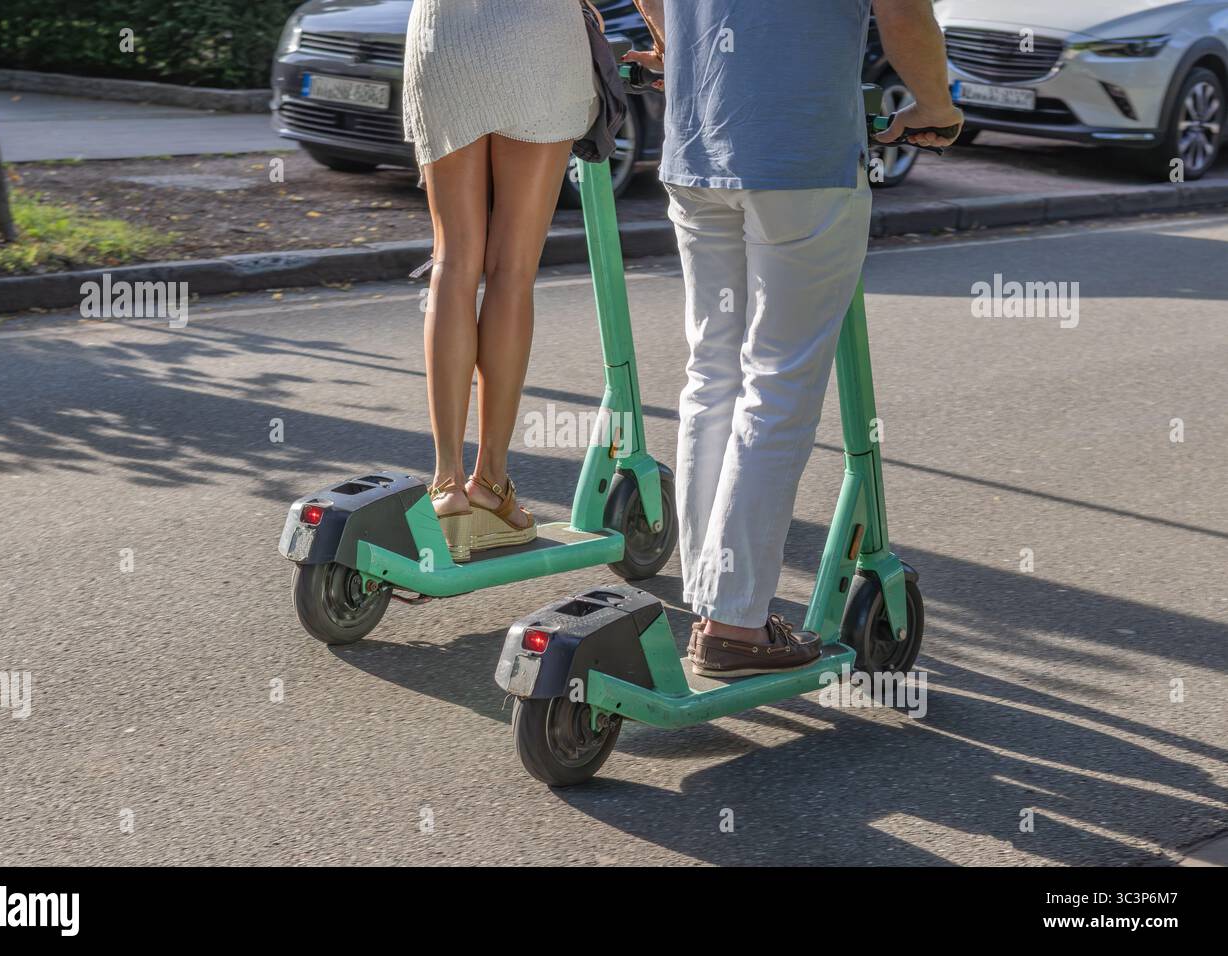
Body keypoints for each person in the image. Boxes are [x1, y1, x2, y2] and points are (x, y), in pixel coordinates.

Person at [627, 0, 962, 676]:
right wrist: (936, 104)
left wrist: (678, 46)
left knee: (712, 372)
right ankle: (733, 624)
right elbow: (902, 10)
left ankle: (712, 600)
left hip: (699, 139)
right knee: (776, 382)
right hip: (800, 153)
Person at [402, 0, 599, 561]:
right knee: (512, 270)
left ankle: (446, 486)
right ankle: (491, 483)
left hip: (445, 39)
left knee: (453, 261)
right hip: (538, 43)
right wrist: (661, 38)